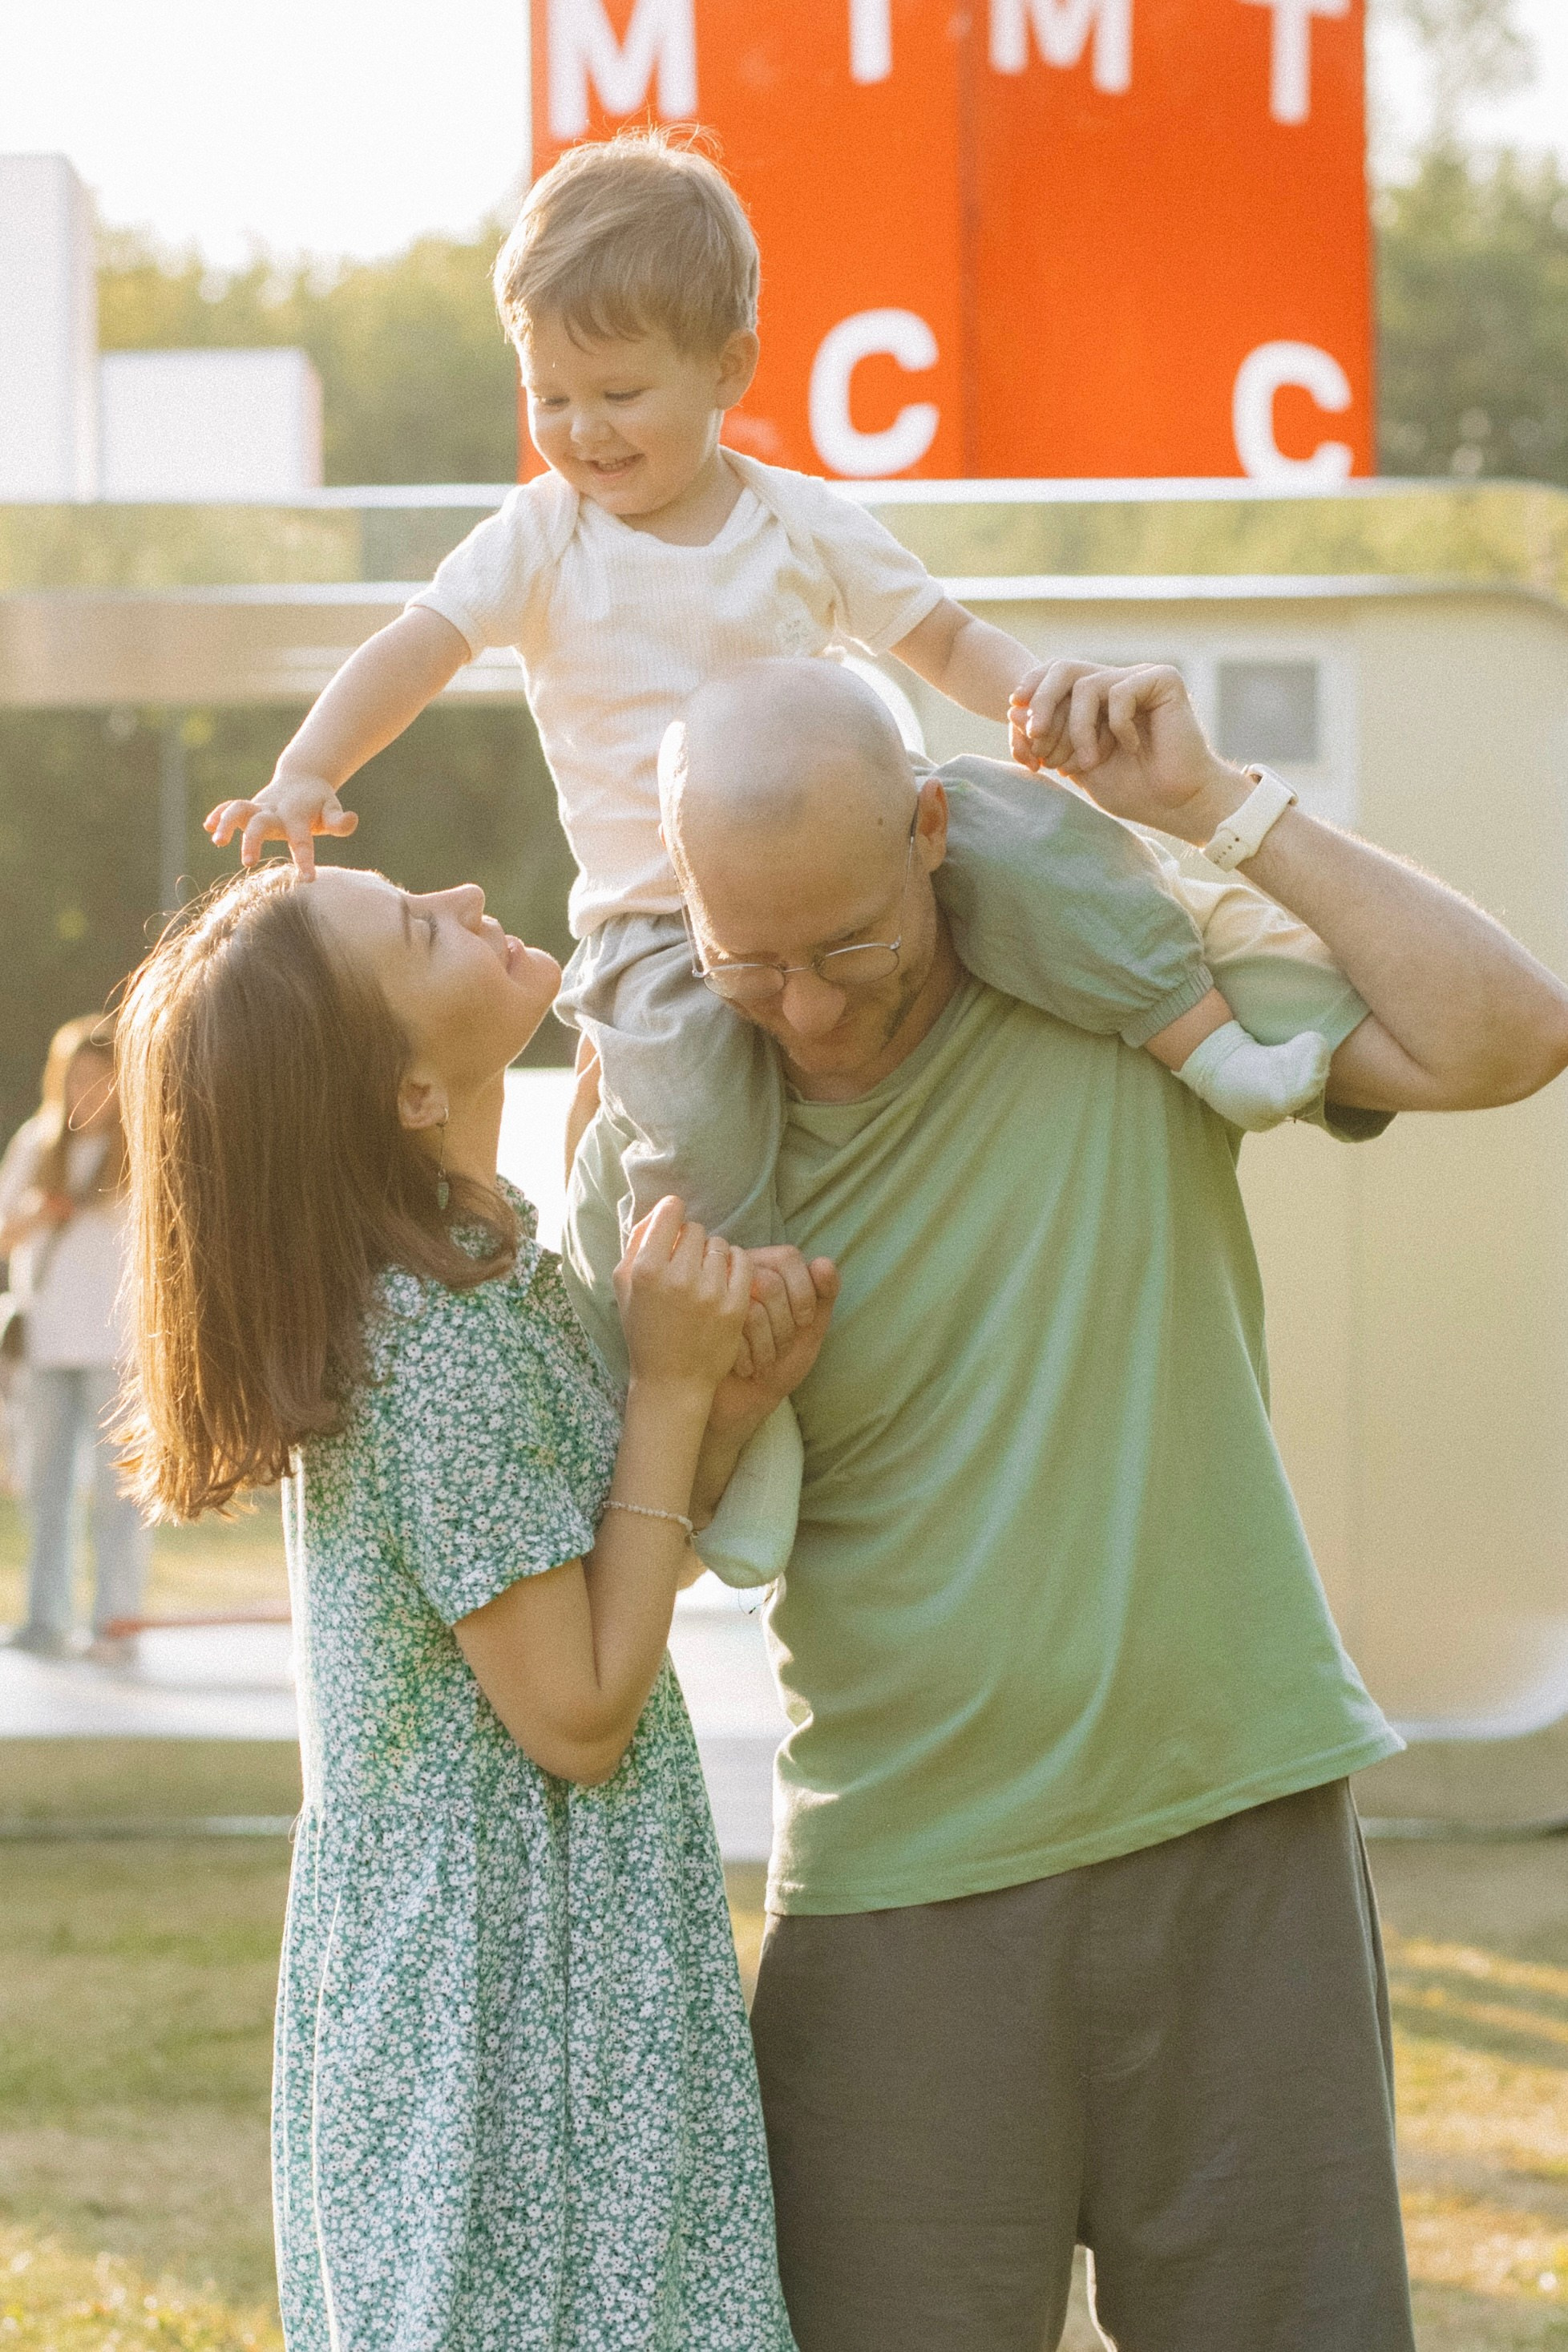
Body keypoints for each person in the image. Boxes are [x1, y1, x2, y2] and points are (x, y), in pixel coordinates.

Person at [564, 654, 1568, 2352]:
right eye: (749, 960)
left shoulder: (1129, 991)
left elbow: (1508, 1035)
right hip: (896, 1894)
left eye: (850, 947)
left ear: (933, 835)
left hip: (1236, 1840)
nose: (803, 1008)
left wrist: (1213, 811)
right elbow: (640, 1539)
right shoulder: (662, 1159)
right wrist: (715, 1406)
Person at [205, 131, 1331, 1276]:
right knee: (695, 1136)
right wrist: (312, 763)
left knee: (1057, 852)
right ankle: (734, 1344)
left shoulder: (797, 520)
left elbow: (938, 633)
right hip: (655, 915)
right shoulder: (541, 538)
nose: (583, 429)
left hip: (848, 849)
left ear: (729, 370)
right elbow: (419, 645)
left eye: (621, 392)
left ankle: (1204, 1043)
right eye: (550, 395)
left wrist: (1035, 703)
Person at [114, 860, 835, 2351]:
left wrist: (708, 1411)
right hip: (502, 1994)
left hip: (547, 1951)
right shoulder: (431, 1337)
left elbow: (600, 1587)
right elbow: (574, 1711)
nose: (461, 889)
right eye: (421, 928)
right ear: (408, 1095)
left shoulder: (487, 1261)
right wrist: (674, 1380)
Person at [0, 1015, 148, 1665]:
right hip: (48, 1344)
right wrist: (41, 1209)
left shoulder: (143, 1150)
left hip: (117, 1348)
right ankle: (44, 1620)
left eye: (103, 1078)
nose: (91, 1090)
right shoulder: (38, 1145)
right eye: (80, 1077)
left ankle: (114, 1622)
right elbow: (6, 1233)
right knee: (46, 1489)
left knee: (119, 1500)